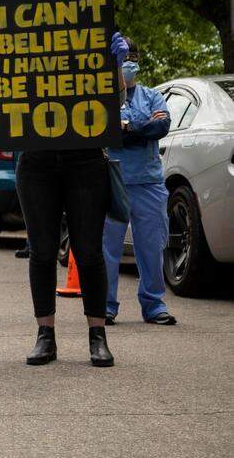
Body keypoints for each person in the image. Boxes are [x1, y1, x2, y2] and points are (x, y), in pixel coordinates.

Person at [0, 0, 128, 367]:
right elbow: (8, 95)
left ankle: (98, 335)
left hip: (85, 159)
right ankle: (46, 335)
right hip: (37, 161)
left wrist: (116, 63)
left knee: (90, 251)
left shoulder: (93, 37)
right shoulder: (21, 39)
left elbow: (116, 101)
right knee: (42, 251)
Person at [103, 38, 176, 326]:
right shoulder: (106, 96)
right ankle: (106, 305)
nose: (128, 63)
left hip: (149, 183)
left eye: (132, 57)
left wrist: (127, 129)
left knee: (152, 245)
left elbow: (161, 126)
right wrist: (139, 130)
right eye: (123, 58)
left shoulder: (153, 96)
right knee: (108, 248)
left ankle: (154, 304)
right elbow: (108, 133)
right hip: (113, 180)